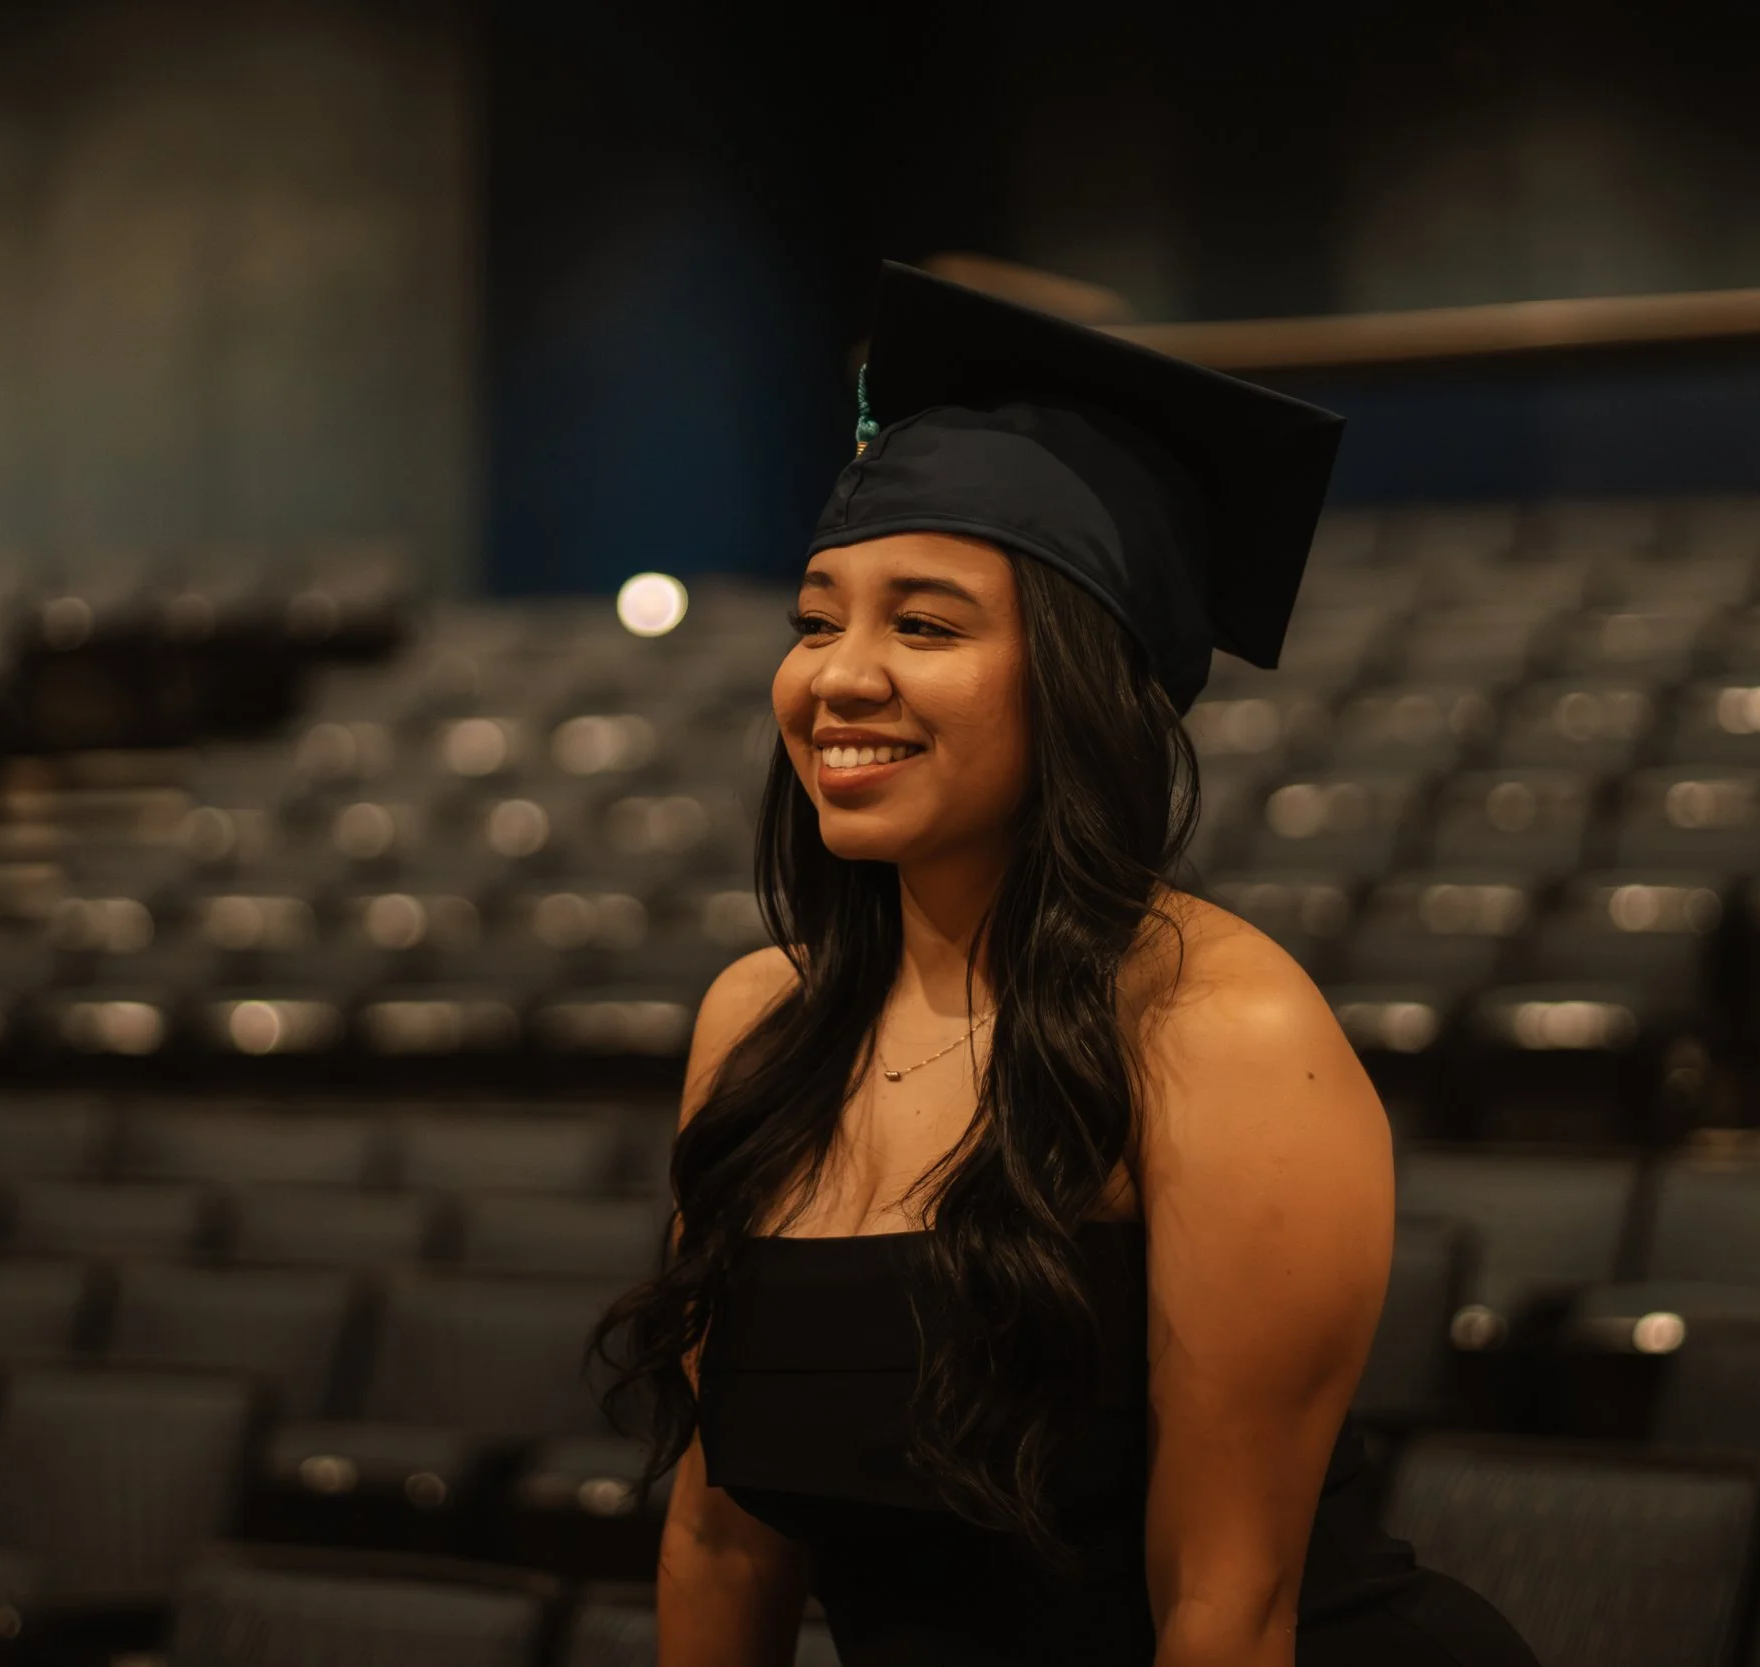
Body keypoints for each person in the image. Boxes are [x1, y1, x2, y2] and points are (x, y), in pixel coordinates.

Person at [596, 263, 1539, 1667]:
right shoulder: (762, 1021)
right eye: (815, 618)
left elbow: (1229, 1607)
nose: (838, 675)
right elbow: (724, 1534)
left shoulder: (1219, 1030)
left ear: (1082, 684)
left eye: (924, 624)